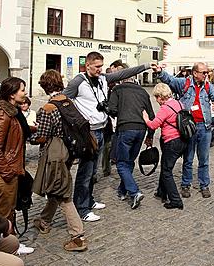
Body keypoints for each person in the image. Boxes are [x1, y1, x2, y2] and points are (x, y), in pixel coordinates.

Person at [64, 51, 151, 221]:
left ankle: (89, 201)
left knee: (93, 170)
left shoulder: (103, 78)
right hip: (89, 132)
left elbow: (125, 73)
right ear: (87, 65)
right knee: (86, 171)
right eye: (97, 67)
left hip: (102, 129)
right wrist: (77, 120)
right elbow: (63, 100)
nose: (100, 69)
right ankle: (81, 209)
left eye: (101, 66)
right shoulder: (78, 82)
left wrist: (147, 66)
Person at [31, 70, 88, 252]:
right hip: (69, 151)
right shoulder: (67, 101)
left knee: (63, 194)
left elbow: (42, 136)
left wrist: (29, 135)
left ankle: (77, 237)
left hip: (55, 154)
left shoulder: (48, 108)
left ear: (44, 85)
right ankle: (44, 221)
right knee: (57, 187)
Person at [152, 62, 214, 198]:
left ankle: (204, 185)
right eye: (204, 72)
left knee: (204, 159)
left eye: (207, 72)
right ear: (195, 73)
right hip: (189, 127)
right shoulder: (184, 83)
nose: (206, 75)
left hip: (205, 127)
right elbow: (169, 80)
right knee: (188, 159)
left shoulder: (208, 86)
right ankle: (186, 184)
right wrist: (160, 72)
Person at [0, 77, 34, 256]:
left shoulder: (12, 112)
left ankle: (11, 245)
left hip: (11, 170)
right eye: (22, 90)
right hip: (5, 173)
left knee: (9, 210)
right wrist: (7, 171)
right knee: (4, 212)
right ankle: (7, 249)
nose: (25, 93)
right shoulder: (3, 114)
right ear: (12, 94)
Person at [108, 76, 155, 209]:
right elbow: (151, 115)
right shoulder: (143, 91)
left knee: (121, 163)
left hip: (125, 128)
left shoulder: (117, 89)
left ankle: (134, 192)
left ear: (122, 79)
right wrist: (150, 135)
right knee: (128, 162)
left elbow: (112, 110)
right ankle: (122, 191)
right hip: (141, 129)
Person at [143, 83, 187, 210]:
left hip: (171, 142)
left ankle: (175, 200)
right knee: (165, 166)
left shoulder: (165, 108)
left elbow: (153, 125)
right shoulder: (179, 103)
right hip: (183, 140)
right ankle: (161, 191)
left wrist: (146, 119)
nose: (156, 101)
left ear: (160, 96)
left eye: (156, 98)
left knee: (167, 171)